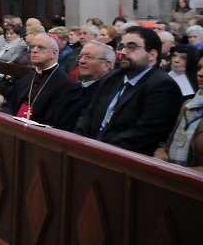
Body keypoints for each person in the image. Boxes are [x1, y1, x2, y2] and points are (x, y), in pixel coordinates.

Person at [73, 25, 184, 155]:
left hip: (124, 159)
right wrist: (78, 141)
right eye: (121, 47)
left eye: (131, 47)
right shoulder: (113, 77)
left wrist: (99, 148)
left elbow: (143, 134)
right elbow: (88, 114)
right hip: (90, 151)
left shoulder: (162, 86)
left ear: (152, 55)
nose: (123, 52)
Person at [3, 34, 75, 125]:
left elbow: (57, 120)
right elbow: (11, 107)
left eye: (41, 47)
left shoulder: (65, 84)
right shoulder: (26, 79)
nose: (34, 50)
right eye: (32, 47)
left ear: (54, 53)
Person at [51, 40, 115, 132]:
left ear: (106, 65)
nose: (81, 61)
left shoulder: (108, 95)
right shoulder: (71, 89)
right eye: (80, 57)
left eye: (88, 57)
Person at [154, 70, 203, 170]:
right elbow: (168, 144)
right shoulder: (188, 105)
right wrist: (161, 153)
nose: (200, 73)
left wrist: (186, 173)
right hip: (172, 179)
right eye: (200, 67)